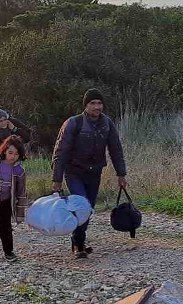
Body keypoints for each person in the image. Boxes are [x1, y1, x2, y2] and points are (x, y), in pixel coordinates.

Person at [51, 88, 128, 258]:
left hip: (94, 173)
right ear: (86, 105)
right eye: (93, 103)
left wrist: (121, 174)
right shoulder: (73, 123)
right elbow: (61, 151)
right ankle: (78, 243)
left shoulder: (107, 123)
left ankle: (79, 239)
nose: (97, 107)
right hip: (74, 172)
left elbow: (116, 149)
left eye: (99, 103)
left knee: (89, 208)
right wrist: (57, 178)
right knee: (82, 205)